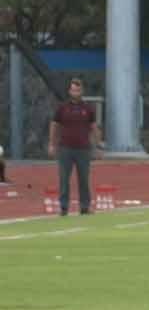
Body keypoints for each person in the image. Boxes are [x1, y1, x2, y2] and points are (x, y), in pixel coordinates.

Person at [48, 77, 101, 216]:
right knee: (64, 179)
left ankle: (85, 206)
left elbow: (94, 128)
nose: (75, 92)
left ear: (81, 91)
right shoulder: (62, 108)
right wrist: (52, 144)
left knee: (84, 179)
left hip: (83, 149)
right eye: (73, 90)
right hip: (65, 149)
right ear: (69, 91)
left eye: (78, 90)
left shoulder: (88, 109)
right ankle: (63, 207)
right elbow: (54, 125)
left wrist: (96, 147)